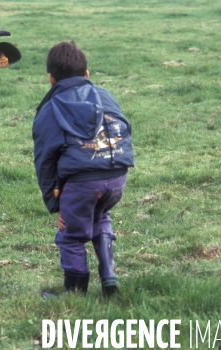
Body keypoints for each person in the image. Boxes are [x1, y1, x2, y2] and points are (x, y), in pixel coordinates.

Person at [33, 41, 134, 296]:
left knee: (71, 234)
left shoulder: (50, 109)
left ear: (50, 79)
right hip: (117, 176)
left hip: (82, 183)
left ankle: (75, 292)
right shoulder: (106, 95)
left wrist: (55, 203)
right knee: (99, 216)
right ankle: (109, 274)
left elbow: (45, 160)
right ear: (87, 74)